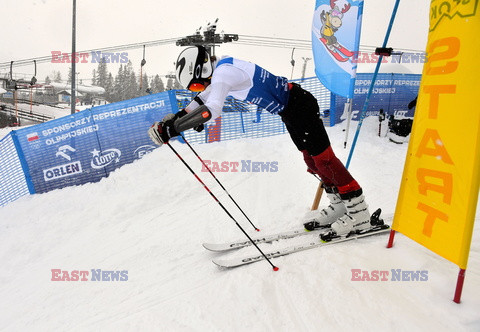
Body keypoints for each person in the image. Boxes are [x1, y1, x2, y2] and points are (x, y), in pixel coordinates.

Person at [148, 46, 372, 237]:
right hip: (291, 111)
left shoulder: (223, 74)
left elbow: (212, 109)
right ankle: (340, 206)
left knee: (325, 161)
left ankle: (360, 213)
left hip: (299, 105)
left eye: (196, 84)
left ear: (204, 69)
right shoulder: (222, 72)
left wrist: (175, 128)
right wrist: (175, 120)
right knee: (312, 161)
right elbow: (202, 101)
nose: (200, 88)